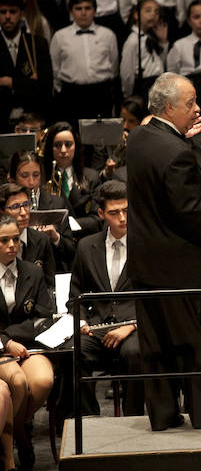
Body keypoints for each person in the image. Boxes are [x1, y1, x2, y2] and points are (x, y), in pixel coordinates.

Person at [126, 72, 201, 431]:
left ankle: (163, 414)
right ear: (169, 107)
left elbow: (154, 137)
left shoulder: (139, 137)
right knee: (193, 340)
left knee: (155, 344)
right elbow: (188, 212)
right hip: (180, 266)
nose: (197, 109)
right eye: (190, 104)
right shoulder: (178, 154)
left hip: (145, 264)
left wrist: (178, 135)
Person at [67, 179, 143, 417]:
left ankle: (134, 419)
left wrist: (130, 326)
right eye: (114, 212)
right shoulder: (86, 247)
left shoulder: (147, 245)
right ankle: (88, 419)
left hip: (135, 327)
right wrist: (81, 323)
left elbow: (156, 297)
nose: (122, 218)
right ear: (101, 214)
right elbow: (74, 297)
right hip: (98, 328)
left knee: (135, 353)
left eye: (126, 211)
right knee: (72, 351)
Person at [0, 213, 54, 470]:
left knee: (43, 380)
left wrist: (12, 336)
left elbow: (43, 316)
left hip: (28, 346)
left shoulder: (32, 271)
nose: (12, 245)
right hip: (1, 349)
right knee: (19, 382)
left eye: (15, 239)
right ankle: (19, 441)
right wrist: (5, 341)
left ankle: (16, 429)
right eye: (3, 241)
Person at [50, 0, 119, 123]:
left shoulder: (108, 35)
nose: (83, 13)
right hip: (71, 95)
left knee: (101, 138)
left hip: (100, 93)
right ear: (71, 11)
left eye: (88, 8)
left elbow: (114, 66)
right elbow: (55, 68)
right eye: (78, 8)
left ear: (95, 10)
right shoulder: (60, 36)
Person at [0, 0, 52, 131]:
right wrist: (26, 84)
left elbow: (45, 86)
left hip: (32, 121)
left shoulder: (37, 44)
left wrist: (11, 82)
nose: (8, 17)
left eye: (13, 11)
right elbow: (33, 85)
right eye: (3, 12)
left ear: (21, 14)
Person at [43, 121, 102, 236]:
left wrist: (69, 224)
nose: (63, 150)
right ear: (51, 148)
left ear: (76, 146)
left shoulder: (91, 177)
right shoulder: (42, 178)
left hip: (84, 239)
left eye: (68, 144)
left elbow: (98, 219)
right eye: (58, 145)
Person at [0, 183, 56, 293]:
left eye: (26, 205)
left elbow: (49, 285)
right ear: (1, 211)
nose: (24, 212)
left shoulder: (42, 240)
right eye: (15, 207)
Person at [121, 0, 168, 101]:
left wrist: (163, 42)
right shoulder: (133, 41)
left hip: (157, 86)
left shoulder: (152, 37)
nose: (153, 15)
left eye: (156, 12)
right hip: (142, 88)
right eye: (148, 10)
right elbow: (127, 73)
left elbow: (161, 64)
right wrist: (129, 95)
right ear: (136, 15)